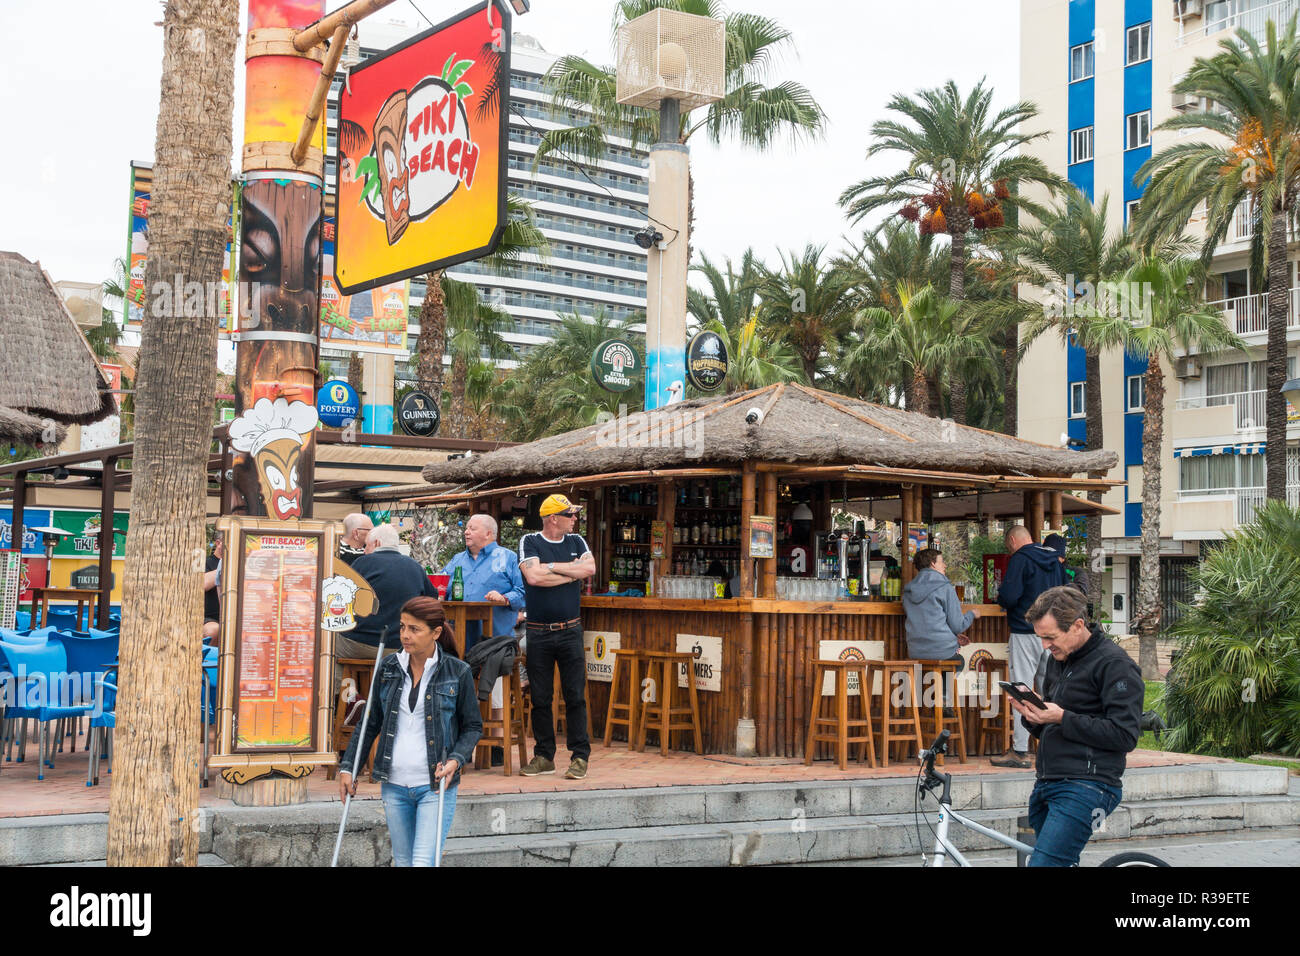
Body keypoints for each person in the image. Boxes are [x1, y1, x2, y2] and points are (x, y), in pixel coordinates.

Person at [338, 597, 481, 866]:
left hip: (434, 785)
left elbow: (473, 727)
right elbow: (370, 722)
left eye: (414, 629)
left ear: (436, 633)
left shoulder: (457, 671)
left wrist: (456, 760)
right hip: (393, 784)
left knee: (423, 862)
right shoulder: (389, 668)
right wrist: (349, 767)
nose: (405, 635)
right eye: (403, 627)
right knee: (403, 861)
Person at [1005, 586, 1142, 867]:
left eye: (1050, 637)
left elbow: (1125, 735)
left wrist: (1061, 717)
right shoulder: (1058, 659)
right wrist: (1034, 716)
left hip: (1089, 786)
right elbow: (1055, 727)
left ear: (1078, 625)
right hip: (1049, 781)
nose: (1044, 645)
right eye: (1040, 637)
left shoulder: (1115, 664)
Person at [516, 494, 596, 780]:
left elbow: (589, 569)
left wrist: (551, 567)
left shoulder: (577, 541)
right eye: (570, 514)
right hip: (538, 631)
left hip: (570, 629)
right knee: (540, 697)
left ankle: (579, 757)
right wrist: (569, 572)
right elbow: (534, 579)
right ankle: (544, 756)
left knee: (575, 695)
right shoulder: (530, 541)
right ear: (553, 518)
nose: (575, 519)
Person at [992, 525, 1066, 768]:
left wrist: (1002, 599)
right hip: (1052, 634)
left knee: (1021, 689)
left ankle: (1021, 750)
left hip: (1025, 632)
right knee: (1050, 689)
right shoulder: (1054, 559)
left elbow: (1010, 596)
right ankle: (1050, 746)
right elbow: (1065, 591)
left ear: (1013, 540)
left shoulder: (1020, 559)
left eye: (1007, 545)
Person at [336, 524, 436, 682]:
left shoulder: (362, 563)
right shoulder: (415, 567)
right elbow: (432, 600)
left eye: (367, 546)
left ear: (376, 544)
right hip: (400, 646)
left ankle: (339, 697)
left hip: (358, 642)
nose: (364, 550)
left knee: (330, 644)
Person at [438, 514, 525, 655]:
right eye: (466, 528)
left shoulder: (508, 558)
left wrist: (505, 598)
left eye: (472, 529)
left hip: (494, 641)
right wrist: (439, 594)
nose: (466, 532)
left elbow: (523, 591)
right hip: (457, 640)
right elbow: (441, 587)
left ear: (488, 533)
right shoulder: (457, 560)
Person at [902, 547, 977, 707]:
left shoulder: (908, 590)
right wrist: (972, 614)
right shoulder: (944, 587)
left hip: (915, 650)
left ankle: (940, 699)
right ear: (932, 564)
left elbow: (926, 620)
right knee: (958, 660)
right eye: (942, 562)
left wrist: (953, 636)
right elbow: (958, 625)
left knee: (946, 660)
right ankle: (943, 697)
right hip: (941, 650)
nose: (946, 565)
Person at [1043, 532, 1092, 605]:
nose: (1048, 557)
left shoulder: (1077, 572)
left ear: (1062, 558)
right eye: (1045, 553)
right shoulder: (1038, 571)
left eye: (1052, 555)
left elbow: (1081, 595)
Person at [202, 534, 223, 643]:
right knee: (213, 630)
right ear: (218, 543)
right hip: (208, 619)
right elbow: (202, 584)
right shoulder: (207, 562)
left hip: (234, 617)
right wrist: (224, 566)